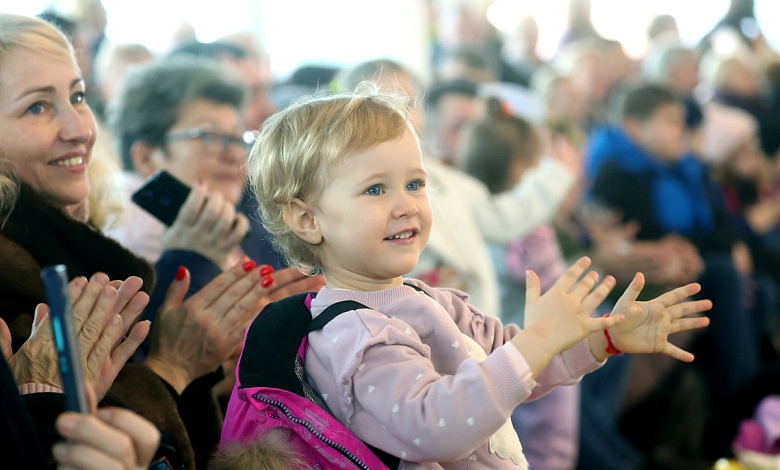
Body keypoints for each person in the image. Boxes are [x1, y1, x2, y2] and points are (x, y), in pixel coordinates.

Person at [236, 83, 711, 468]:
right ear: (307, 219)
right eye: (375, 189)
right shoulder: (354, 335)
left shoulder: (430, 299)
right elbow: (434, 425)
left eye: (415, 184)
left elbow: (516, 366)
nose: (406, 204)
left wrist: (600, 340)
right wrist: (534, 343)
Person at [0, 13, 280, 469]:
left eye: (77, 96)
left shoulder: (73, 238)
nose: (81, 128)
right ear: (147, 154)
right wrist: (173, 365)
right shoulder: (37, 265)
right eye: (37, 106)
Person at [586, 83, 780, 459]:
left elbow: (721, 226)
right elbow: (652, 238)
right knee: (723, 277)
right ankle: (744, 404)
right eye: (670, 121)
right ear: (634, 128)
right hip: (650, 281)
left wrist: (722, 245)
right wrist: (711, 247)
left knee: (758, 285)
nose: (682, 130)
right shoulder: (617, 174)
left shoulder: (689, 171)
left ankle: (755, 400)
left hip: (694, 267)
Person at [335, 60, 580, 319]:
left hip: (475, 321)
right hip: (408, 323)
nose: (398, 114)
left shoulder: (448, 180)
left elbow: (504, 219)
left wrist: (555, 175)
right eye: (381, 104)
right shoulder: (352, 189)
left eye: (409, 103)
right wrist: (416, 285)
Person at [458, 98, 579, 469]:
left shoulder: (484, 218)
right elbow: (543, 280)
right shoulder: (517, 228)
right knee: (548, 434)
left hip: (515, 346)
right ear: (521, 169)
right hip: (535, 343)